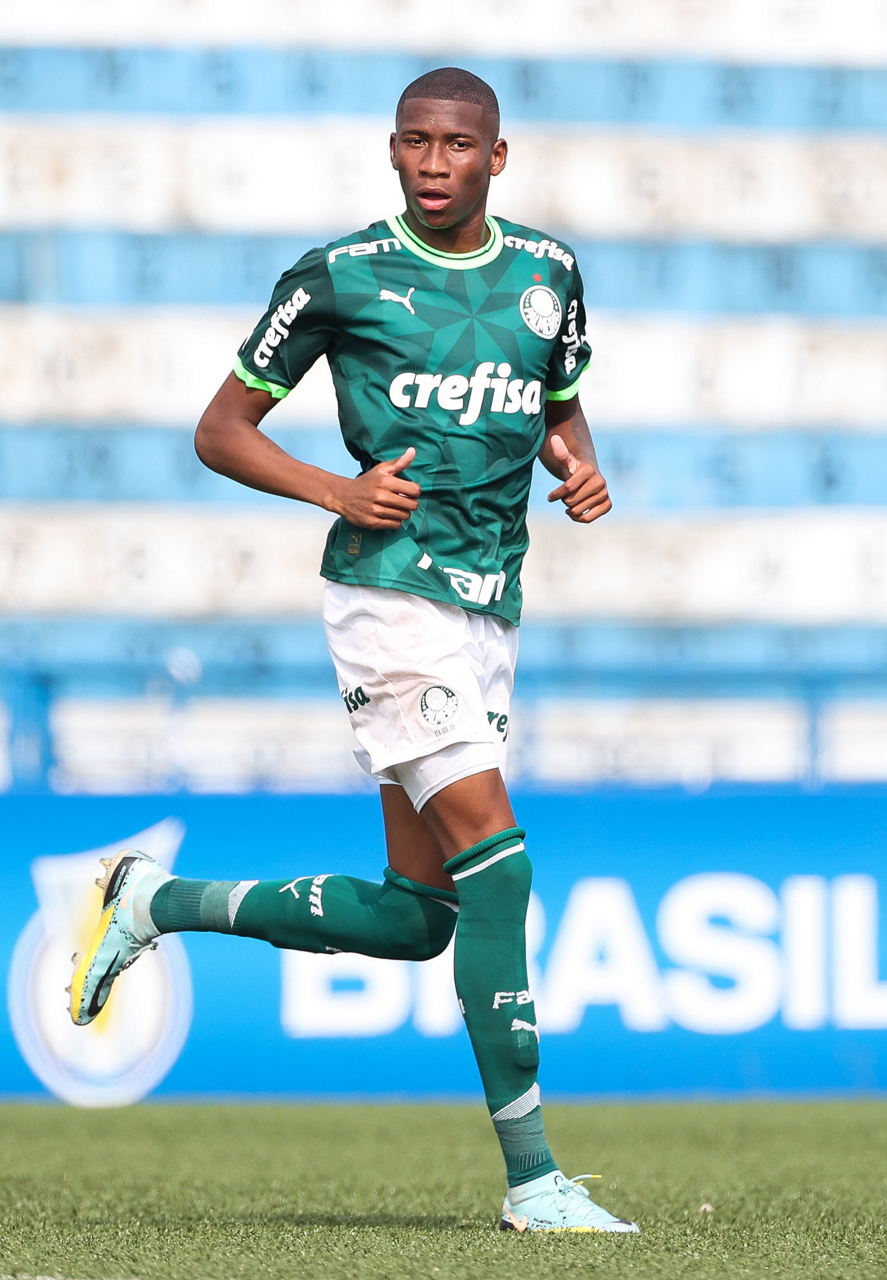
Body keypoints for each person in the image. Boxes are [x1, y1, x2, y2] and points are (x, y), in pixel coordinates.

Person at [69, 67, 637, 1235]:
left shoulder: (548, 273)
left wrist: (575, 464)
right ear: (391, 149)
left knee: (420, 914)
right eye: (415, 142)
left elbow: (555, 402)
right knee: (499, 863)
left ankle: (155, 900)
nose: (434, 162)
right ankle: (534, 1181)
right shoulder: (340, 274)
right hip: (385, 592)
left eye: (456, 145)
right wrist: (337, 488)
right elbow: (219, 429)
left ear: (495, 157)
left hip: (488, 602)